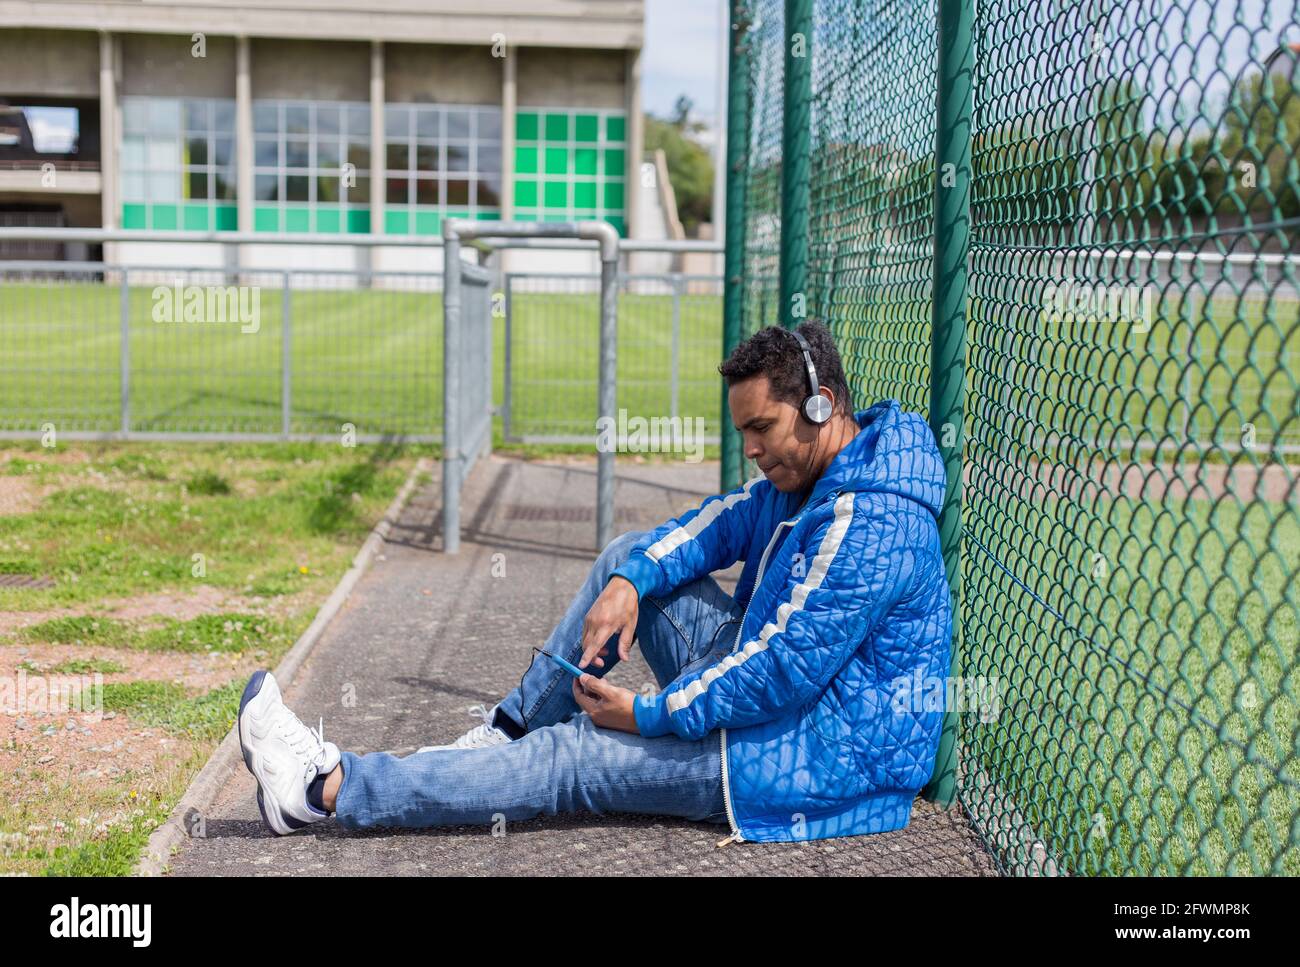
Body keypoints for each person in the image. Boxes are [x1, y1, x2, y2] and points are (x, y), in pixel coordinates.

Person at [237, 319, 953, 844]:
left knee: (571, 757)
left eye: (762, 428)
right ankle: (503, 734)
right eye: (744, 432)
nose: (753, 449)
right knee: (624, 557)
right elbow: (718, 525)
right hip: (772, 696)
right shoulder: (811, 470)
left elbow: (780, 671)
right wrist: (632, 579)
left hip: (809, 754)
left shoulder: (874, 519)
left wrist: (646, 714)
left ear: (823, 404)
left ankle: (319, 788)